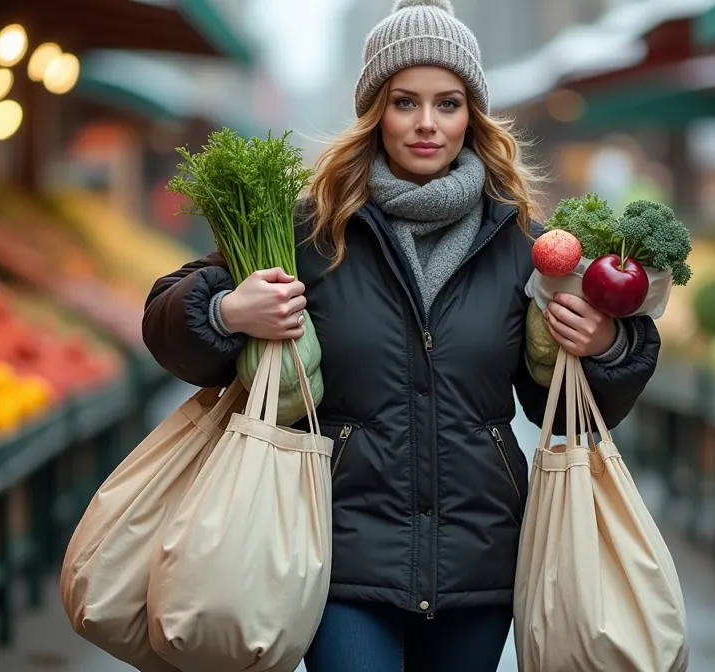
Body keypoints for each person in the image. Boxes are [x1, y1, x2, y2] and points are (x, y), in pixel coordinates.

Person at [140, 1, 660, 669]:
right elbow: (165, 319)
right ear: (373, 113)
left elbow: (559, 406)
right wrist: (226, 314)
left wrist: (608, 347)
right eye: (403, 102)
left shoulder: (523, 245)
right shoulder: (310, 232)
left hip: (479, 560)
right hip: (335, 550)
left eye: (447, 103)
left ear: (471, 113)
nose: (425, 123)